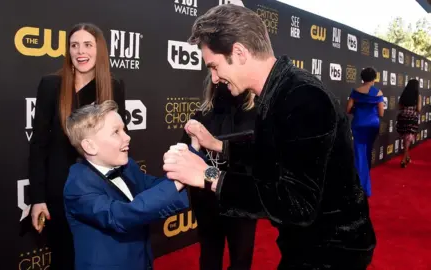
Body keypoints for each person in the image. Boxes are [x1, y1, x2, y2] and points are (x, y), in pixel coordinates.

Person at [162, 4, 376, 269]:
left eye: (215, 66)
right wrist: (218, 145)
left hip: (331, 252)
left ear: (239, 52)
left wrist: (209, 176)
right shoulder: (279, 91)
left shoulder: (303, 97)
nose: (214, 79)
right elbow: (277, 153)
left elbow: (298, 204)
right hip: (308, 244)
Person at [28, 23, 126, 270]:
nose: (80, 51)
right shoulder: (51, 85)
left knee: (96, 258)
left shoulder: (113, 87)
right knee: (63, 257)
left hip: (98, 192)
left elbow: (117, 142)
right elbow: (39, 144)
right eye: (74, 45)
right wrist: (38, 199)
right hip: (59, 190)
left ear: (99, 50)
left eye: (87, 45)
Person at [63, 100, 189, 270]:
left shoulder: (128, 166)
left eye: (124, 129)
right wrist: (180, 180)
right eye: (116, 132)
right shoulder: (78, 185)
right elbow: (122, 216)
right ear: (90, 146)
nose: (127, 137)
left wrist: (189, 163)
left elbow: (154, 187)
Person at [180, 74, 257, 270]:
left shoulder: (256, 114)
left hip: (242, 203)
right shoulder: (200, 115)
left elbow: (258, 163)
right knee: (209, 255)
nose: (219, 78)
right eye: (214, 71)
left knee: (241, 258)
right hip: (206, 201)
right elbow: (186, 157)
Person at [346, 67, 384, 197]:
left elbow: (348, 109)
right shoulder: (378, 93)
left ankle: (360, 185)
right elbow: (381, 113)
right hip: (373, 125)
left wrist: (357, 109)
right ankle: (364, 185)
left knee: (359, 152)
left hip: (359, 124)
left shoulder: (355, 91)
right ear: (374, 78)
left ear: (362, 77)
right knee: (367, 151)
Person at [396, 79, 421, 168]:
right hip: (412, 118)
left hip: (403, 117)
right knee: (408, 138)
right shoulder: (417, 96)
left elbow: (399, 106)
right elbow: (418, 109)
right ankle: (403, 159)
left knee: (405, 139)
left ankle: (407, 157)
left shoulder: (404, 95)